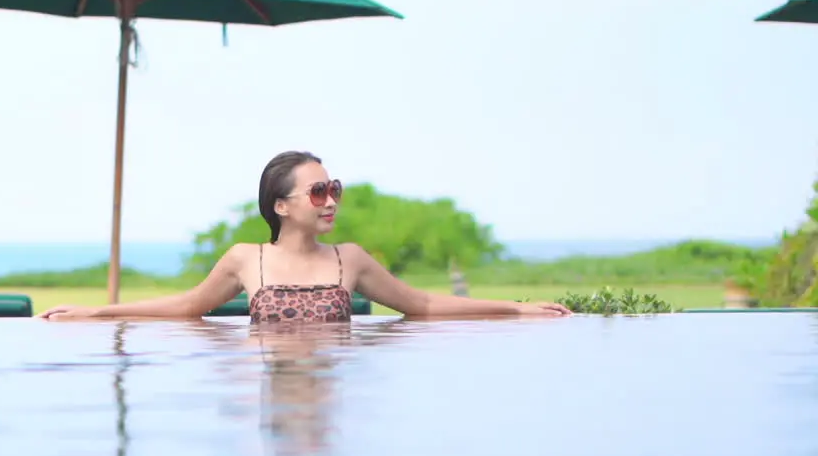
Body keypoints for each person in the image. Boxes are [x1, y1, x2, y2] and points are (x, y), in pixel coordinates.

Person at [38, 151, 572, 322]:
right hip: (274, 393)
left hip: (330, 384)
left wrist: (518, 310)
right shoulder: (246, 260)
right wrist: (94, 315)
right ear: (281, 205)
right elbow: (186, 308)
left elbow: (424, 306)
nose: (332, 200)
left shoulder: (351, 259)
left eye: (333, 189)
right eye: (318, 192)